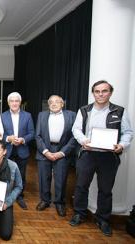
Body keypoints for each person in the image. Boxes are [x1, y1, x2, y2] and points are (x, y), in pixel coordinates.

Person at [69, 80, 133, 237]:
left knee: (105, 190)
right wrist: (84, 141)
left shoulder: (119, 111)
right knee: (81, 186)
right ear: (93, 93)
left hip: (108, 157)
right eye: (97, 91)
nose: (101, 94)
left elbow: (128, 132)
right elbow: (76, 129)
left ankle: (103, 219)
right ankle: (79, 213)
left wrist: (122, 145)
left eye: (104, 91)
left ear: (110, 93)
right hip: (88, 154)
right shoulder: (84, 110)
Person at [35, 95, 76, 217]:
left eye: (57, 102)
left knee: (61, 179)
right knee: (43, 178)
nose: (54, 104)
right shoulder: (42, 115)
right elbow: (37, 136)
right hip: (45, 150)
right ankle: (45, 200)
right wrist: (46, 151)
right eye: (51, 102)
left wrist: (62, 152)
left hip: (63, 151)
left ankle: (59, 203)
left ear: (62, 104)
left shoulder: (71, 115)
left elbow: (75, 136)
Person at [1, 92, 34, 210]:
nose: (14, 103)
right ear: (8, 102)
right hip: (7, 150)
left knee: (21, 174)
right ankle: (6, 195)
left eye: (17, 101)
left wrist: (23, 139)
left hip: (22, 150)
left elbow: (32, 133)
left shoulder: (28, 115)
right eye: (12, 101)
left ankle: (19, 196)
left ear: (20, 102)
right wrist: (8, 138)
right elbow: (0, 133)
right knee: (6, 173)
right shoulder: (2, 116)